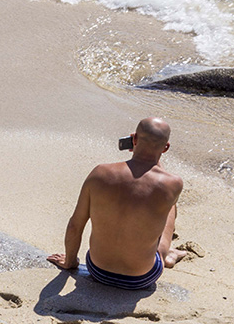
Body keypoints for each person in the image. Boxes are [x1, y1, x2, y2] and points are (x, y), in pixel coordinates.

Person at [47, 117, 187, 290]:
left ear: (134, 139)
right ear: (165, 148)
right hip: (142, 278)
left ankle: (165, 256)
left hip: (98, 270)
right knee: (169, 204)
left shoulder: (100, 173)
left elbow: (76, 225)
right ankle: (166, 257)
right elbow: (154, 185)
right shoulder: (172, 183)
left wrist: (70, 262)